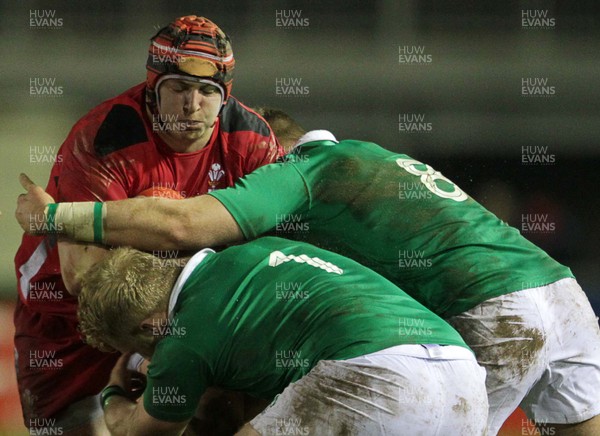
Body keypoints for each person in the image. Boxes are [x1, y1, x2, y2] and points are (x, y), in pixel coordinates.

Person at [16, 109, 600, 435]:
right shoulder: (372, 155)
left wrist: (62, 217)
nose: (249, 179)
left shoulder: (297, 173)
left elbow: (182, 226)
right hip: (562, 294)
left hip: (490, 314)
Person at [13, 17, 282, 435]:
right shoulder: (105, 138)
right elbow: (83, 276)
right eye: (177, 89)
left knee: (220, 415)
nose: (192, 106)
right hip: (71, 322)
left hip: (179, 315)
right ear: (152, 88)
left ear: (224, 96)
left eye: (208, 92)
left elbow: (274, 257)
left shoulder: (252, 141)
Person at [77, 237, 488, 435]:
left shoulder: (183, 341)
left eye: (137, 348)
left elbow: (141, 433)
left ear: (151, 327)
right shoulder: (256, 249)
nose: (148, 358)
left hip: (377, 378)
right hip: (464, 377)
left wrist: (112, 395)